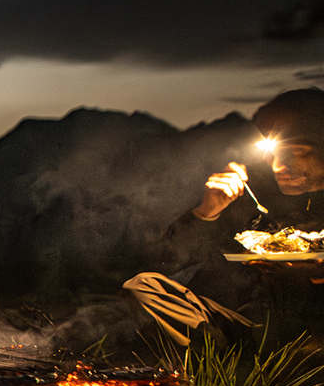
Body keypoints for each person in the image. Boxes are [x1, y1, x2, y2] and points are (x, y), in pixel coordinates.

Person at [125, 87, 324, 346]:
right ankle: (220, 363)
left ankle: (241, 368)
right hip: (249, 324)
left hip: (314, 327)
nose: (278, 167)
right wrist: (207, 211)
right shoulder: (251, 193)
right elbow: (167, 261)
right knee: (142, 287)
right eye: (272, 153)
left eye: (296, 153)